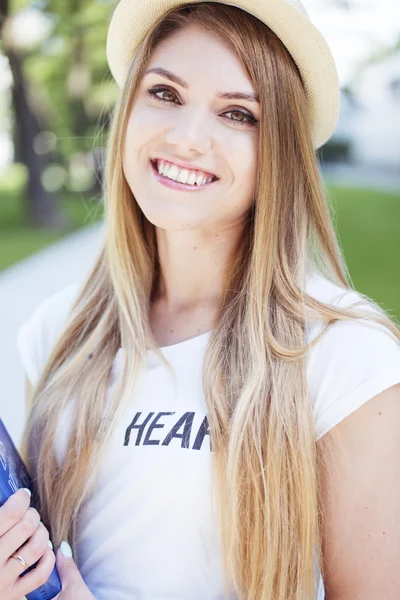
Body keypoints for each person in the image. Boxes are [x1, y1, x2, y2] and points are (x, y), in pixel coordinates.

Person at [2, 0, 400, 599]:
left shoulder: (345, 355)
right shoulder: (56, 331)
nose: (187, 138)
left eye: (238, 113)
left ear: (279, 153)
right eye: (165, 94)